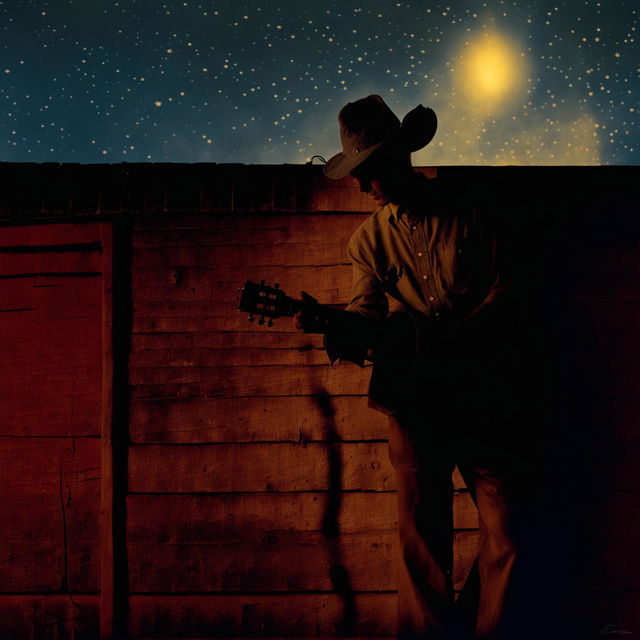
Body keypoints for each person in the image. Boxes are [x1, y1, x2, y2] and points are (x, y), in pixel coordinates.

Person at [294, 94, 528, 639]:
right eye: (357, 173)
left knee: (512, 533)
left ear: (400, 157)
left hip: (487, 397)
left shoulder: (472, 209)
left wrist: (457, 342)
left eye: (369, 170)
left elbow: (507, 291)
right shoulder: (367, 242)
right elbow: (365, 322)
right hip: (416, 404)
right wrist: (329, 325)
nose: (361, 185)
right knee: (421, 546)